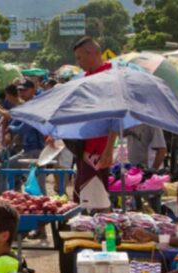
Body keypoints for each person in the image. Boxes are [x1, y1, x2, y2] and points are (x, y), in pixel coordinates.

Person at [70, 36, 118, 203]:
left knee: (98, 201)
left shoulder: (110, 76)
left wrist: (109, 149)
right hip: (84, 147)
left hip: (100, 150)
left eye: (79, 58)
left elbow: (115, 116)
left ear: (91, 53)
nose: (78, 63)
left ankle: (107, 230)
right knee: (82, 199)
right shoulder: (84, 78)